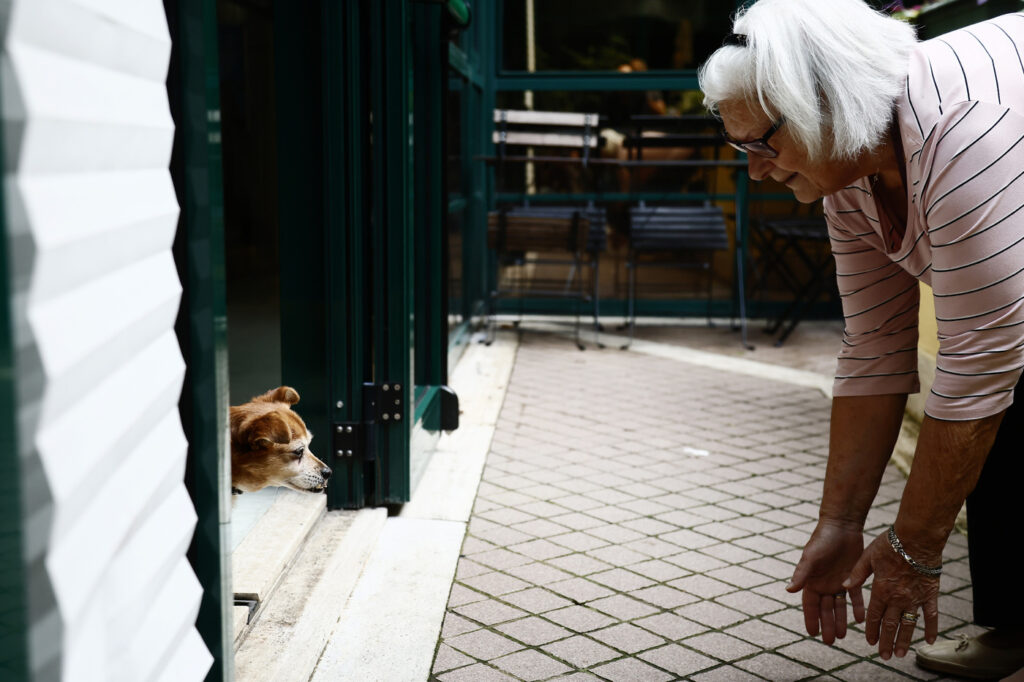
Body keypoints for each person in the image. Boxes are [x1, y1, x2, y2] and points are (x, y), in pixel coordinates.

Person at [699, 1, 1024, 678]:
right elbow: (876, 345)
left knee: (983, 397)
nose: (754, 170)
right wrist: (839, 524)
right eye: (741, 149)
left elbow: (979, 365)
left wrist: (914, 550)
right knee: (986, 415)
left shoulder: (962, 126)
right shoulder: (847, 167)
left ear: (823, 102)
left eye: (762, 145)